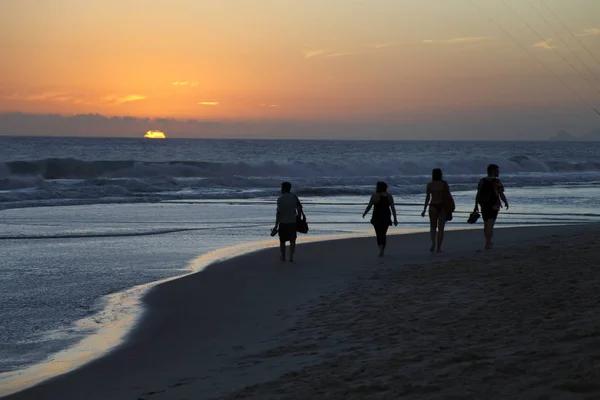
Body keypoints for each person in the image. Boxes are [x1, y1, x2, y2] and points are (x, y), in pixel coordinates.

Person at [474, 164, 509, 249]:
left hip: (483, 204)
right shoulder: (497, 181)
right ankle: (488, 242)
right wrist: (506, 202)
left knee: (486, 224)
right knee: (490, 224)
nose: (498, 172)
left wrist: (475, 205)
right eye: (497, 171)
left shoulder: (482, 180)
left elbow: (478, 194)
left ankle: (488, 241)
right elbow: (501, 193)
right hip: (494, 204)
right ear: (493, 171)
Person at [421, 168, 453, 253]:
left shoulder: (430, 185)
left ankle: (433, 243)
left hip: (432, 206)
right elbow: (448, 196)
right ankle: (439, 247)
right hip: (442, 206)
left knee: (432, 227)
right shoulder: (444, 184)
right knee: (441, 228)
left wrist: (424, 209)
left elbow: (427, 198)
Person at [362, 181, 398, 257]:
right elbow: (393, 208)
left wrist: (364, 213)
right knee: (383, 234)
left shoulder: (374, 196)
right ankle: (382, 250)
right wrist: (395, 219)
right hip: (386, 217)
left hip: (376, 217)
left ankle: (380, 249)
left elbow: (369, 206)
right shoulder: (389, 196)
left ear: (378, 188)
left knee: (378, 234)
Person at [273, 181, 303, 262]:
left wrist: (276, 225)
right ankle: (291, 257)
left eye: (281, 188)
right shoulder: (294, 197)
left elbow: (278, 213)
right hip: (293, 222)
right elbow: (299, 209)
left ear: (283, 188)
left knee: (282, 241)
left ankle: (283, 256)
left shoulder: (280, 199)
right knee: (292, 240)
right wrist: (298, 218)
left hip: (283, 223)